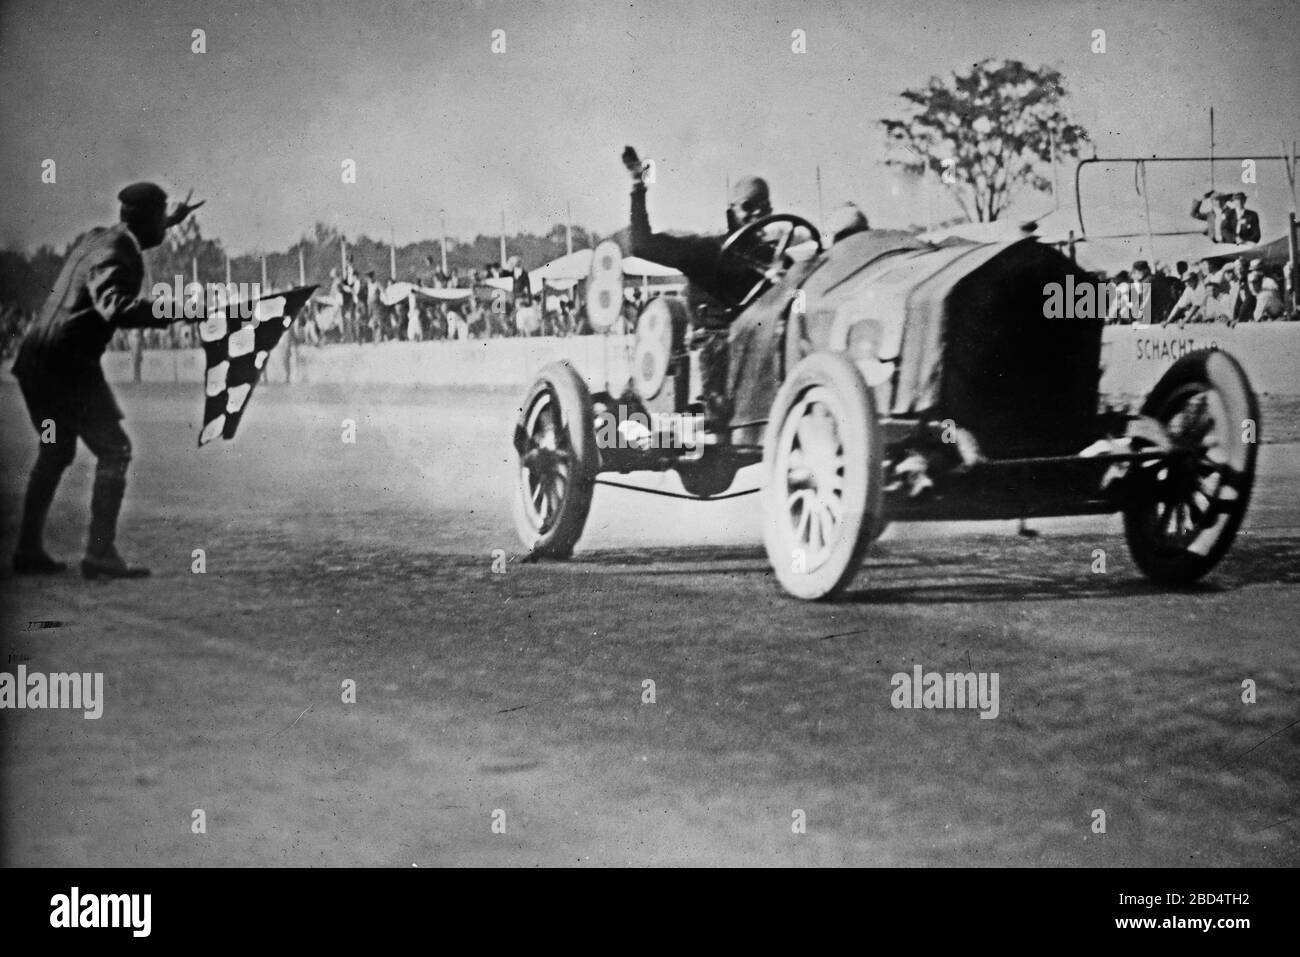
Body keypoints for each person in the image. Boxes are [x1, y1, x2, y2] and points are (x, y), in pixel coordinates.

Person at [11, 182, 202, 577]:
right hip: (67, 368)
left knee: (56, 451)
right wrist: (176, 309)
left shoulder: (104, 238)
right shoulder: (118, 251)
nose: (166, 232)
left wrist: (173, 219)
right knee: (115, 450)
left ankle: (28, 550)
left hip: (37, 363)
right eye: (161, 219)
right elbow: (115, 307)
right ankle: (100, 555)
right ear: (144, 219)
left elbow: (140, 237)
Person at [624, 145, 780, 425]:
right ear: (733, 212)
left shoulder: (774, 258)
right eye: (748, 207)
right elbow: (642, 244)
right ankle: (716, 409)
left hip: (761, 347)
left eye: (764, 207)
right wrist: (639, 186)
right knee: (722, 344)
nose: (757, 214)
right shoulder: (707, 251)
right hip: (718, 345)